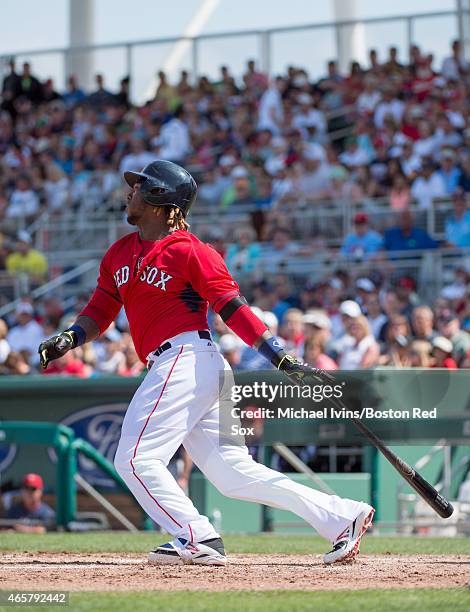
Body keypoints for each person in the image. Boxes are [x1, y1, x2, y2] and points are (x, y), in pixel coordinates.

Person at [38, 159, 374, 566]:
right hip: (190, 366)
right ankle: (343, 516)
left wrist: (278, 355)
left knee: (134, 458)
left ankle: (196, 536)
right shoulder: (120, 252)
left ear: (161, 200)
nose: (130, 192)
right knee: (234, 473)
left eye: (140, 187)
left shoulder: (191, 251)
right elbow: (101, 309)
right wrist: (71, 337)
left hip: (186, 358)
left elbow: (231, 307)